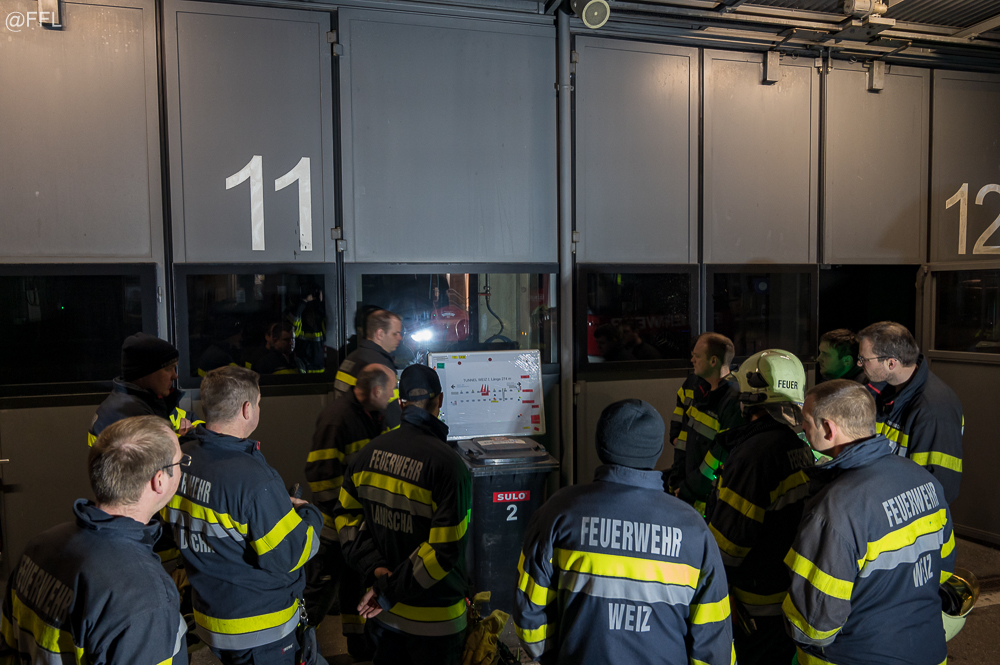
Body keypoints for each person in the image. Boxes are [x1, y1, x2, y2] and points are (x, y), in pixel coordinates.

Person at [514, 399, 734, 665]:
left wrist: (554, 657)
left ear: (601, 445)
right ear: (657, 450)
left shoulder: (557, 513)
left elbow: (530, 617)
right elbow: (714, 643)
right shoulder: (693, 530)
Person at [784, 379, 955, 665]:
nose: (802, 427)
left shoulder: (835, 508)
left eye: (806, 421)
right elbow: (943, 570)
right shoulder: (925, 481)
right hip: (930, 652)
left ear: (828, 429)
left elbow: (814, 626)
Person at [161, 366, 323, 664]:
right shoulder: (254, 479)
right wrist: (309, 513)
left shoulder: (181, 459)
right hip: (261, 629)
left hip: (213, 618)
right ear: (247, 409)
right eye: (258, 403)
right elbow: (291, 554)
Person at [0, 415, 188, 663]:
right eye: (180, 462)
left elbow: (7, 645)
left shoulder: (39, 546)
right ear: (159, 480)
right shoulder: (146, 597)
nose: (183, 468)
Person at [333, 364, 471, 665]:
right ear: (440, 400)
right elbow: (444, 551)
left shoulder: (366, 456)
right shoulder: (450, 468)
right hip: (437, 624)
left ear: (400, 403)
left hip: (385, 619)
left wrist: (377, 572)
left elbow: (345, 519)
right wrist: (388, 591)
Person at [705, 349, 813, 665]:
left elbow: (727, 545)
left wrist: (717, 591)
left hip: (753, 605)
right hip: (789, 593)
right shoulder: (801, 445)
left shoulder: (753, 457)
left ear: (751, 399)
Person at [303, 364, 397, 655]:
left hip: (357, 523)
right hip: (334, 526)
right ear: (376, 391)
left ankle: (359, 648)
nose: (393, 396)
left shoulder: (373, 415)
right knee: (320, 590)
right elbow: (320, 477)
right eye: (391, 391)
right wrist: (344, 512)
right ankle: (296, 647)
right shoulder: (338, 419)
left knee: (354, 586)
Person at [858, 321, 964, 505]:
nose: (859, 363)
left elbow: (939, 490)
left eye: (864, 359)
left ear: (891, 363)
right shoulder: (879, 388)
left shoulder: (935, 411)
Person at [666, 333, 743, 512]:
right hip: (688, 490)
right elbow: (685, 439)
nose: (692, 360)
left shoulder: (733, 400)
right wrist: (677, 481)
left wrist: (688, 489)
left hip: (707, 501)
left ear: (713, 361)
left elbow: (717, 458)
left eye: (697, 356)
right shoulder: (700, 389)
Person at [88, 332, 196, 446]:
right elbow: (159, 456)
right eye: (169, 369)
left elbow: (185, 417)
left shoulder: (146, 400)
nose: (175, 376)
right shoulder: (133, 416)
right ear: (145, 373)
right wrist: (183, 439)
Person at [333, 309, 403, 429]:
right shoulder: (379, 365)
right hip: (368, 433)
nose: (400, 338)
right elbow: (391, 415)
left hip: (347, 429)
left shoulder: (353, 357)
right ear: (380, 334)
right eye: (395, 334)